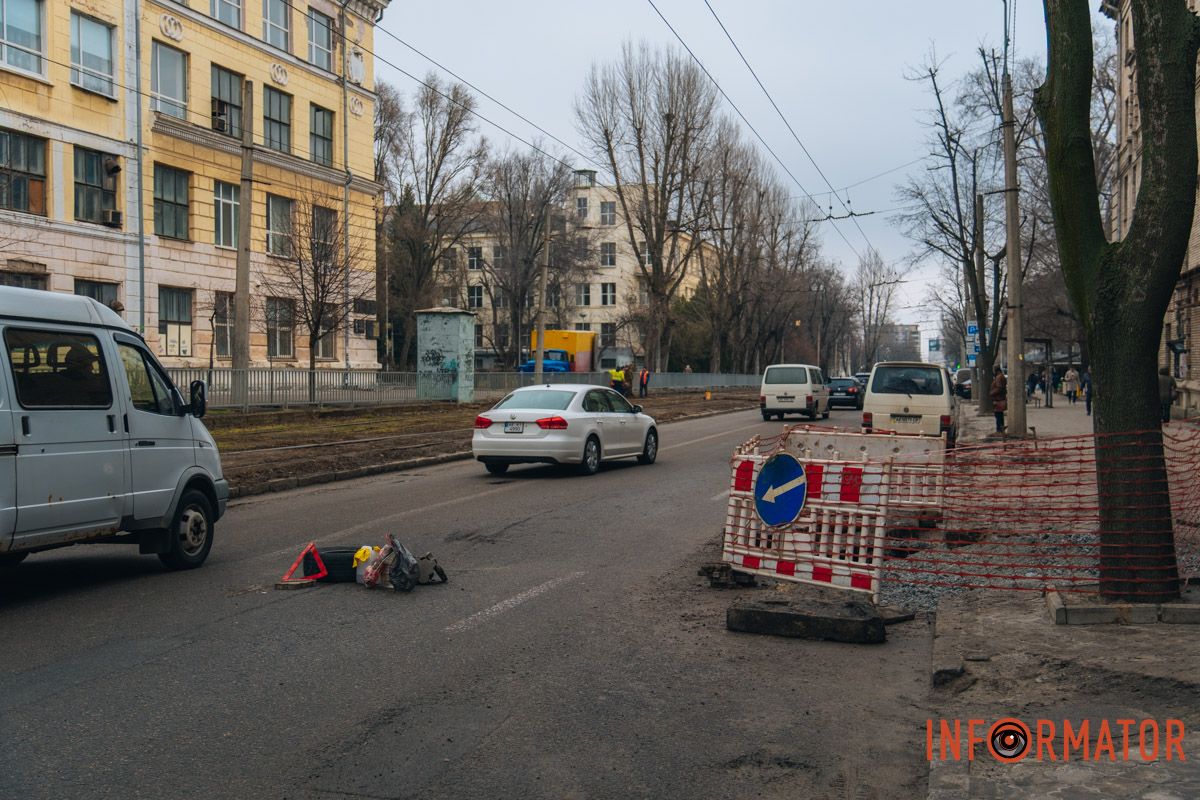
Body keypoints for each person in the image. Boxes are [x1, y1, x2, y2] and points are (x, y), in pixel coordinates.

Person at [989, 366, 1007, 434]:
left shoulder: (999, 377)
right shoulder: (1000, 376)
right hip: (999, 399)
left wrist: (992, 393)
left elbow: (999, 388)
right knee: (999, 415)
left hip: (998, 399)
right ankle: (1000, 429)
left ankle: (999, 429)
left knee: (998, 415)